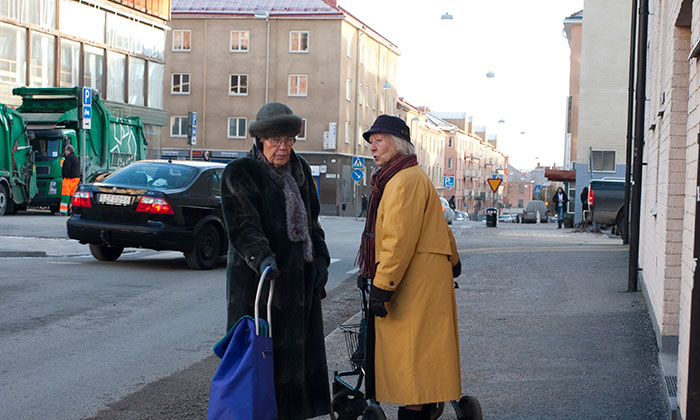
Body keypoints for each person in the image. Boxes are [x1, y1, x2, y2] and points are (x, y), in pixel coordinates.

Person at [220, 103, 331, 419]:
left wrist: (321, 259)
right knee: (259, 362)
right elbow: (243, 226)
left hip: (300, 284)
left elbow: (312, 223)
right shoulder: (241, 173)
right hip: (258, 284)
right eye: (275, 140)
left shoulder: (300, 169)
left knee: (297, 364)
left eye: (288, 140)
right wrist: (263, 258)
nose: (283, 147)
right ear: (261, 140)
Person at [356, 115, 462, 420]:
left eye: (379, 140)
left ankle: (414, 413)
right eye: (371, 142)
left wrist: (382, 285)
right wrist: (454, 260)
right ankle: (424, 408)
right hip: (425, 279)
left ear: (399, 143)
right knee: (425, 354)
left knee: (410, 359)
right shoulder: (413, 176)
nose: (373, 147)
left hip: (411, 284)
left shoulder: (401, 182)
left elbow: (397, 240)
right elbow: (438, 225)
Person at [60, 145, 80, 215]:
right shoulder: (76, 158)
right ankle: (71, 210)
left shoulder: (68, 157)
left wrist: (65, 176)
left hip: (69, 179)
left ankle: (63, 211)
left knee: (65, 194)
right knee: (72, 195)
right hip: (76, 179)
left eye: (65, 150)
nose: (65, 152)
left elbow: (67, 168)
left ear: (68, 151)